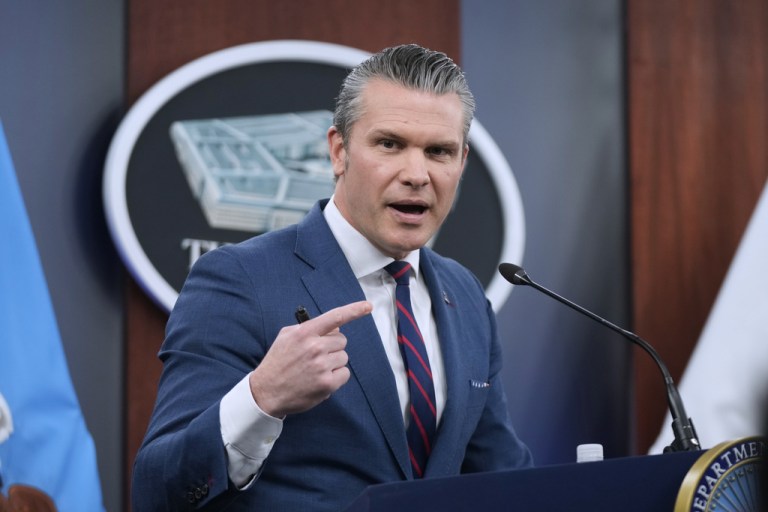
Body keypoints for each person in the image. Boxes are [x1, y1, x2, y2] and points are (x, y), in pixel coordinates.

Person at [132, 43, 532, 511]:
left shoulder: (464, 294)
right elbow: (157, 489)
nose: (417, 174)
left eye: (439, 152)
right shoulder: (240, 279)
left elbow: (503, 476)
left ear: (461, 163)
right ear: (339, 151)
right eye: (390, 144)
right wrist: (260, 399)